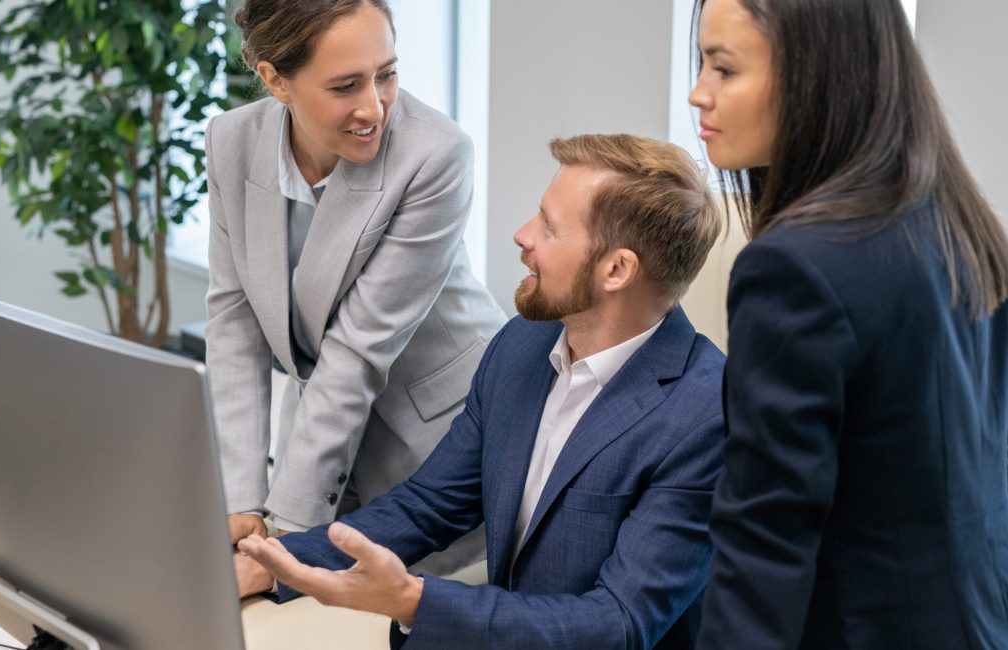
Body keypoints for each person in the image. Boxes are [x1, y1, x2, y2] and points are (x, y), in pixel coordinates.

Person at [237, 134, 726, 649]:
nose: (522, 235)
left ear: (617, 269)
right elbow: (431, 505)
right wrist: (271, 564)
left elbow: (618, 623)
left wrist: (412, 600)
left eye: (549, 227)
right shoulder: (523, 343)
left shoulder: (707, 416)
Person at [687, 0, 1008, 647]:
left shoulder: (793, 267)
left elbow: (764, 538)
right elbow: (987, 453)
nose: (697, 94)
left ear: (814, 74)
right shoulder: (957, 223)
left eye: (724, 69)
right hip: (1004, 615)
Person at [203, 0, 505, 570]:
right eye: (345, 85)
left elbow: (357, 350)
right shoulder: (231, 142)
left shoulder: (436, 155)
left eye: (387, 74)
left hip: (437, 442)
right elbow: (234, 324)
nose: (375, 107)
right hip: (317, 435)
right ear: (275, 80)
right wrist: (240, 503)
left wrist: (287, 535)